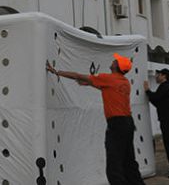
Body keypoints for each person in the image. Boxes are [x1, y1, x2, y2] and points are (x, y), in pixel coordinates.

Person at [46, 53, 145, 185]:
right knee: (129, 161)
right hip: (128, 123)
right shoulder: (124, 82)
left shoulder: (108, 78)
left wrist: (56, 72)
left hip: (116, 124)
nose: (113, 60)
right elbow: (105, 88)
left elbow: (77, 76)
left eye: (115, 60)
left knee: (114, 165)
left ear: (117, 66)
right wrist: (89, 83)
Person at [144, 68, 169, 179]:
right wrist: (149, 94)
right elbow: (157, 102)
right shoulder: (164, 87)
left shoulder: (165, 87)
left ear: (164, 76)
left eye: (158, 75)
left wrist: (147, 90)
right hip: (168, 122)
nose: (156, 77)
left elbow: (155, 97)